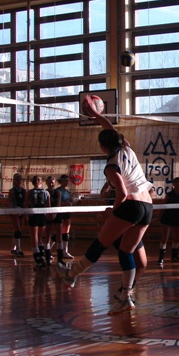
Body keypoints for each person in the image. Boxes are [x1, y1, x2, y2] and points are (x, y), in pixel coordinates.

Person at [56, 94, 154, 316]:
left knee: (101, 243)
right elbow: (109, 127)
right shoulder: (127, 148)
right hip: (148, 207)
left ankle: (71, 274)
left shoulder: (111, 166)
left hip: (132, 205)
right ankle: (125, 297)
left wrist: (112, 212)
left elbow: (122, 193)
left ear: (102, 147)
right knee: (126, 251)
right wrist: (96, 114)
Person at [24, 175, 51, 269]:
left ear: (32, 183)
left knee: (34, 240)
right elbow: (49, 207)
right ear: (41, 182)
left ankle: (39, 261)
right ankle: (43, 257)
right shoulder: (46, 193)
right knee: (39, 239)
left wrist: (25, 217)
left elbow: (25, 206)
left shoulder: (29, 192)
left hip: (33, 216)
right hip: (42, 216)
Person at [49, 174, 74, 266]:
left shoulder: (66, 191)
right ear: (61, 181)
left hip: (67, 212)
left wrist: (71, 200)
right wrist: (65, 203)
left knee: (66, 233)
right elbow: (57, 203)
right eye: (65, 181)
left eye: (68, 181)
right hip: (59, 213)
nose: (67, 182)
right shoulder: (57, 191)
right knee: (58, 234)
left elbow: (68, 201)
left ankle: (65, 251)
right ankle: (47, 249)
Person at [8, 173, 26, 258]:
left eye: (20, 179)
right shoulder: (12, 191)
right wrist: (11, 211)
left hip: (22, 211)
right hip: (14, 211)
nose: (19, 181)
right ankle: (18, 249)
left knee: (18, 230)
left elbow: (25, 201)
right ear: (14, 181)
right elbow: (9, 202)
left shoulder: (23, 191)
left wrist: (25, 212)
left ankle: (13, 248)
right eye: (17, 179)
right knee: (17, 230)